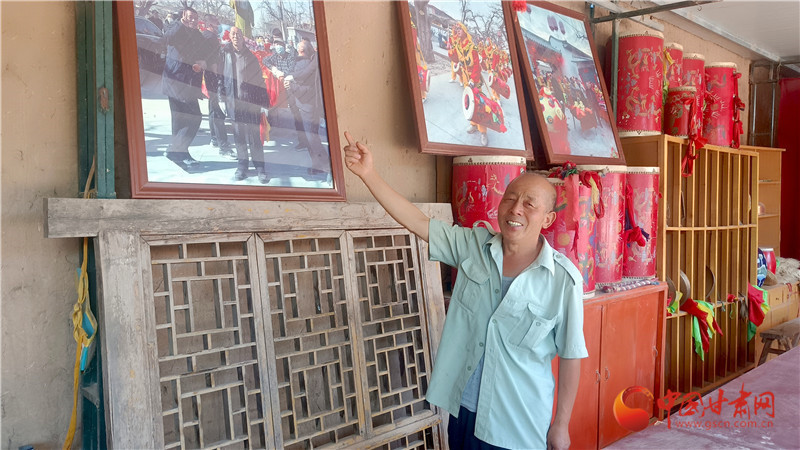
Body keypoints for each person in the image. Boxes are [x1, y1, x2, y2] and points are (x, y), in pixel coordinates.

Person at [342, 131, 586, 450]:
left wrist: (561, 424)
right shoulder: (473, 246)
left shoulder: (563, 280)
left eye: (529, 204)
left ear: (548, 218)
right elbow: (417, 221)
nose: (516, 209)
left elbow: (570, 356)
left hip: (517, 423)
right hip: (464, 410)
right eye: (510, 198)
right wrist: (369, 174)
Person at [219, 27, 270, 183]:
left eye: (239, 34)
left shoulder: (251, 57)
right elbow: (220, 78)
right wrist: (221, 98)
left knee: (254, 137)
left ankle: (260, 168)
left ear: (243, 37)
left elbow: (259, 81)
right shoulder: (224, 55)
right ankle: (242, 166)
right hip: (233, 103)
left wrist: (264, 103)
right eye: (233, 34)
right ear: (230, 36)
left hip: (251, 102)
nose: (236, 36)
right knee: (239, 136)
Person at [161, 7, 207, 170]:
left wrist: (203, 61)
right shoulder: (175, 26)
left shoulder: (196, 34)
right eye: (190, 17)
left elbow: (204, 50)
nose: (193, 20)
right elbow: (167, 38)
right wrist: (181, 23)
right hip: (175, 80)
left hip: (189, 83)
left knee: (180, 119)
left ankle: (177, 152)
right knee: (195, 117)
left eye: (195, 17)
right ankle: (177, 150)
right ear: (183, 16)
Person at [284, 40, 328, 177]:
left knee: (312, 138)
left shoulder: (304, 64)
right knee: (312, 138)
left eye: (300, 50)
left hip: (307, 106)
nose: (298, 52)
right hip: (309, 106)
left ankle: (325, 165)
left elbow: (306, 89)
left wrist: (290, 86)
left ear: (303, 51)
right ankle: (317, 165)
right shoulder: (309, 62)